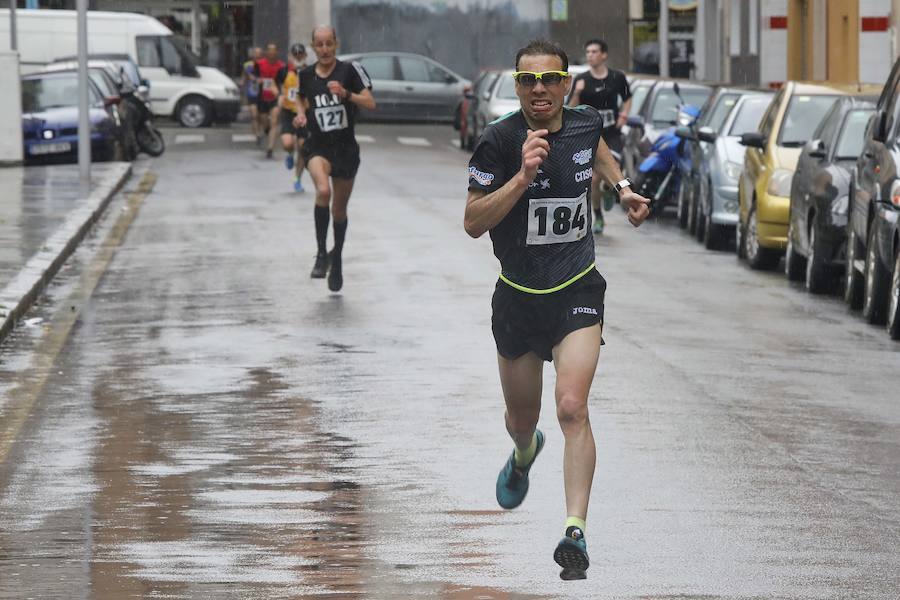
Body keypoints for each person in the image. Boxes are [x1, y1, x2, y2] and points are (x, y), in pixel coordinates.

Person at [464, 39, 649, 580]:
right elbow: (473, 222)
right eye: (528, 81)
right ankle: (525, 452)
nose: (539, 89)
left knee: (572, 406)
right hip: (518, 298)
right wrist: (521, 179)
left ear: (567, 83)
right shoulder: (499, 141)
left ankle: (575, 530)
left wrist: (623, 188)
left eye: (549, 80)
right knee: (524, 419)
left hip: (576, 289)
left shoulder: (585, 122)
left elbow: (600, 150)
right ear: (517, 86)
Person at [294, 25, 375, 292]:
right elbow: (300, 99)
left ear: (336, 44)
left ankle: (336, 257)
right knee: (322, 190)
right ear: (313, 47)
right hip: (318, 146)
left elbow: (370, 102)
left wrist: (346, 94)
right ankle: (320, 254)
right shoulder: (304, 74)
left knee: (339, 211)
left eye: (329, 43)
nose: (325, 49)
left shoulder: (350, 71)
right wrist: (301, 114)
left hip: (345, 150)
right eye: (320, 44)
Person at [568, 38, 632, 235]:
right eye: (588, 52)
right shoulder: (581, 80)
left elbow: (628, 98)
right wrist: (578, 93)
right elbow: (570, 108)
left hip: (612, 133)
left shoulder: (617, 77)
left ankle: (609, 190)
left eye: (594, 52)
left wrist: (623, 116)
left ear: (604, 55)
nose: (590, 55)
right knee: (594, 180)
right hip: (590, 135)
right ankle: (599, 216)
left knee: (613, 172)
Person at [280, 43, 309, 192]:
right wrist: (277, 94)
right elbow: (274, 83)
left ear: (305, 56)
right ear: (291, 56)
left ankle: (297, 179)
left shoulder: (311, 71)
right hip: (288, 112)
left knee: (303, 147)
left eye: (300, 55)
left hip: (304, 113)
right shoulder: (284, 70)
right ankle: (290, 153)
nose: (298, 57)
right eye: (295, 55)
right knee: (287, 143)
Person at [254, 43, 287, 159]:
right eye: (269, 50)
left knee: (274, 121)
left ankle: (270, 149)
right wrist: (259, 80)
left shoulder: (282, 66)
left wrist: (282, 96)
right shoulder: (259, 64)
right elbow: (254, 77)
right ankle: (266, 130)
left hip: (275, 97)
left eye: (274, 50)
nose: (272, 53)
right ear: (266, 52)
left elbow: (283, 83)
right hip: (262, 97)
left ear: (277, 52)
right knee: (264, 122)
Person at [241, 46, 263, 144]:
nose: (257, 55)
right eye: (255, 53)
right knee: (254, 115)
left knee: (261, 116)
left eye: (259, 53)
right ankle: (257, 135)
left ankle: (262, 131)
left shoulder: (264, 64)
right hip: (252, 93)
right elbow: (243, 78)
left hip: (263, 94)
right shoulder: (247, 65)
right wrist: (242, 86)